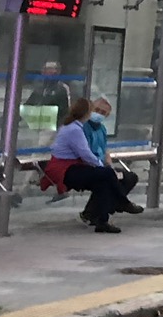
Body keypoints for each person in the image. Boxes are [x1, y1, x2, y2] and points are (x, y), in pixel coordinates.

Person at [49, 97, 139, 233]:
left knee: (126, 177)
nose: (98, 114)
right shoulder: (77, 129)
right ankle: (122, 202)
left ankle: (101, 218)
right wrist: (101, 166)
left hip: (84, 165)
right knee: (107, 176)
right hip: (69, 168)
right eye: (96, 110)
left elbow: (104, 150)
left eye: (103, 113)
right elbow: (85, 154)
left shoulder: (95, 128)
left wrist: (107, 165)